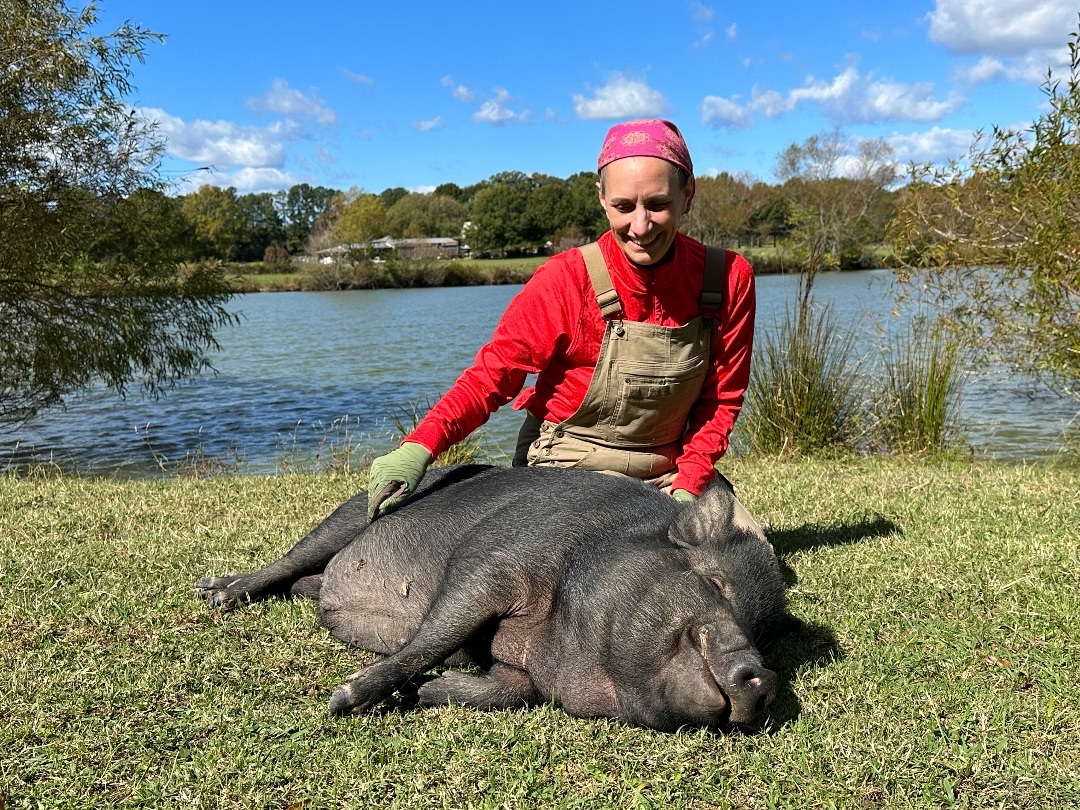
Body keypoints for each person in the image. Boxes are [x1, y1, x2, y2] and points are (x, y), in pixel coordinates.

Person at [366, 118, 755, 520]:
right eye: (623, 206)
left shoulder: (728, 276)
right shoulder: (565, 277)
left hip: (669, 470)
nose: (640, 226)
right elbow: (493, 375)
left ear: (687, 194)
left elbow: (720, 400)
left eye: (658, 204)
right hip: (567, 467)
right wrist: (418, 446)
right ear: (601, 198)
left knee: (739, 560)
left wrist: (689, 486)